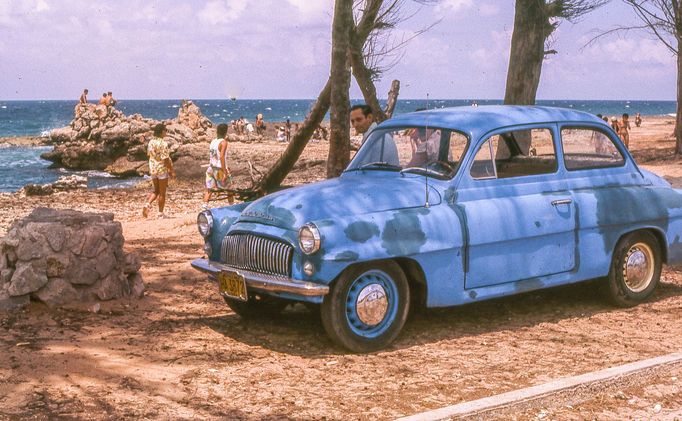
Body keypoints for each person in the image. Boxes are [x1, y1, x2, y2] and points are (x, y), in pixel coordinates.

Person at [143, 123, 175, 218]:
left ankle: (147, 204)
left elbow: (149, 154)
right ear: (162, 132)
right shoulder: (163, 143)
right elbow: (165, 158)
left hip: (153, 168)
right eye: (165, 130)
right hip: (161, 169)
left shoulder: (151, 142)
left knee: (155, 191)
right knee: (162, 193)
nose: (166, 132)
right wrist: (171, 170)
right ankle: (160, 213)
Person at [203, 123, 233, 208]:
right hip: (219, 169)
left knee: (209, 189)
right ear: (225, 132)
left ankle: (205, 205)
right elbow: (222, 157)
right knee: (229, 188)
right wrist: (225, 171)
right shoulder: (223, 142)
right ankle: (231, 206)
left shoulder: (213, 141)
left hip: (211, 167)